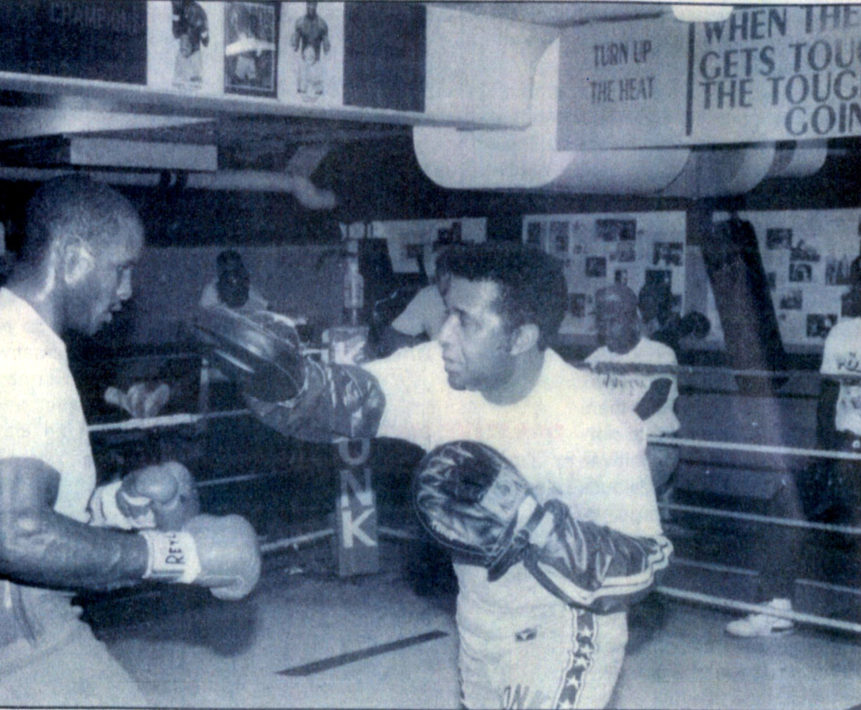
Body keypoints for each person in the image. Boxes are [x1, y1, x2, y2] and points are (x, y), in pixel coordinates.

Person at [204, 243, 671, 708]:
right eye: (447, 313)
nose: (444, 334)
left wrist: (536, 527)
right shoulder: (437, 374)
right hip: (477, 624)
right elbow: (343, 401)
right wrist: (282, 382)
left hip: (567, 626)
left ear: (521, 337)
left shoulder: (591, 417)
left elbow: (647, 560)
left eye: (464, 320)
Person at [0, 175, 261, 706]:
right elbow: (18, 536)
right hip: (8, 626)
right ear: (72, 257)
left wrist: (117, 503)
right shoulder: (16, 355)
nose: (127, 291)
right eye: (121, 269)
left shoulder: (10, 338)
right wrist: (178, 554)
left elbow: (15, 508)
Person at [725, 252, 861, 637]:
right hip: (843, 452)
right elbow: (827, 398)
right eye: (858, 291)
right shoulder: (842, 334)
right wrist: (828, 451)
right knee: (785, 500)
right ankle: (777, 608)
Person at [585, 284, 680, 496]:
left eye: (613, 321)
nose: (606, 329)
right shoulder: (594, 360)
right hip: (609, 447)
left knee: (619, 490)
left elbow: (656, 396)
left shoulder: (660, 354)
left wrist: (618, 430)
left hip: (653, 446)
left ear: (633, 321)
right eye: (601, 322)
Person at [199, 249, 269, 314]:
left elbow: (264, 310)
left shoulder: (250, 291)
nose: (232, 275)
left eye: (236, 269)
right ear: (220, 270)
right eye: (227, 270)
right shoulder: (210, 293)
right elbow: (205, 316)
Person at [291, 2, 329, 98]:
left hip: (316, 61)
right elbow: (294, 46)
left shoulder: (322, 24)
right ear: (306, 5)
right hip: (304, 59)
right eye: (309, 4)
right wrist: (294, 40)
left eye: (313, 5)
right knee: (302, 90)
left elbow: (326, 48)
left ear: (316, 5)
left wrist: (326, 43)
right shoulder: (300, 22)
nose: (311, 7)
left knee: (318, 92)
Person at [172, 0, 208, 86]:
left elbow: (206, 41)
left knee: (195, 85)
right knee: (178, 84)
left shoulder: (197, 11)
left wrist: (202, 29)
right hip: (183, 53)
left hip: (194, 54)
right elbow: (175, 33)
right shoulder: (177, 10)